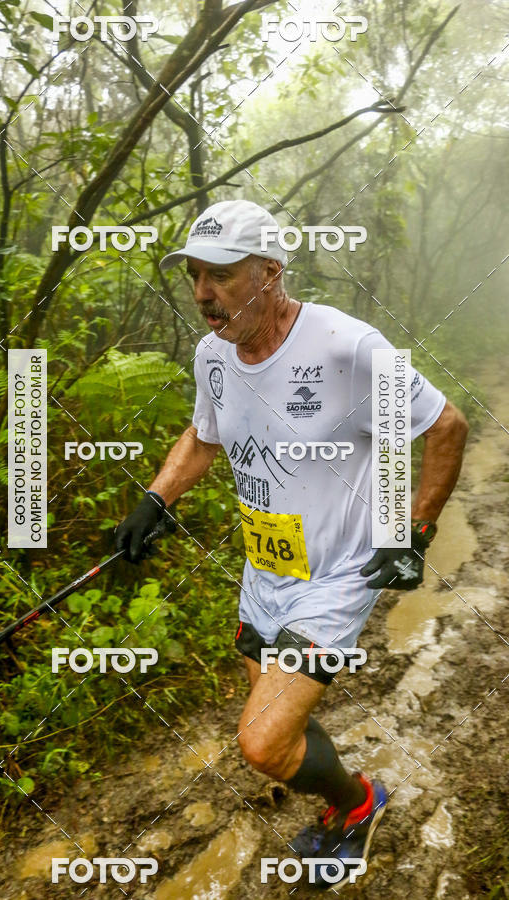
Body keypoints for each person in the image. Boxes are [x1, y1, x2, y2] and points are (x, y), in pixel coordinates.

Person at [114, 199, 469, 888]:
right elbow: (203, 436)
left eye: (219, 274)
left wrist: (416, 532)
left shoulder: (344, 348)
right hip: (266, 567)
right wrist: (156, 497)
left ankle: (360, 803)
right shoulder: (213, 356)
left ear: (270, 272)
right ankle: (324, 785)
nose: (202, 294)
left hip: (338, 573)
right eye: (194, 276)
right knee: (275, 730)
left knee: (261, 739)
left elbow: (444, 426)